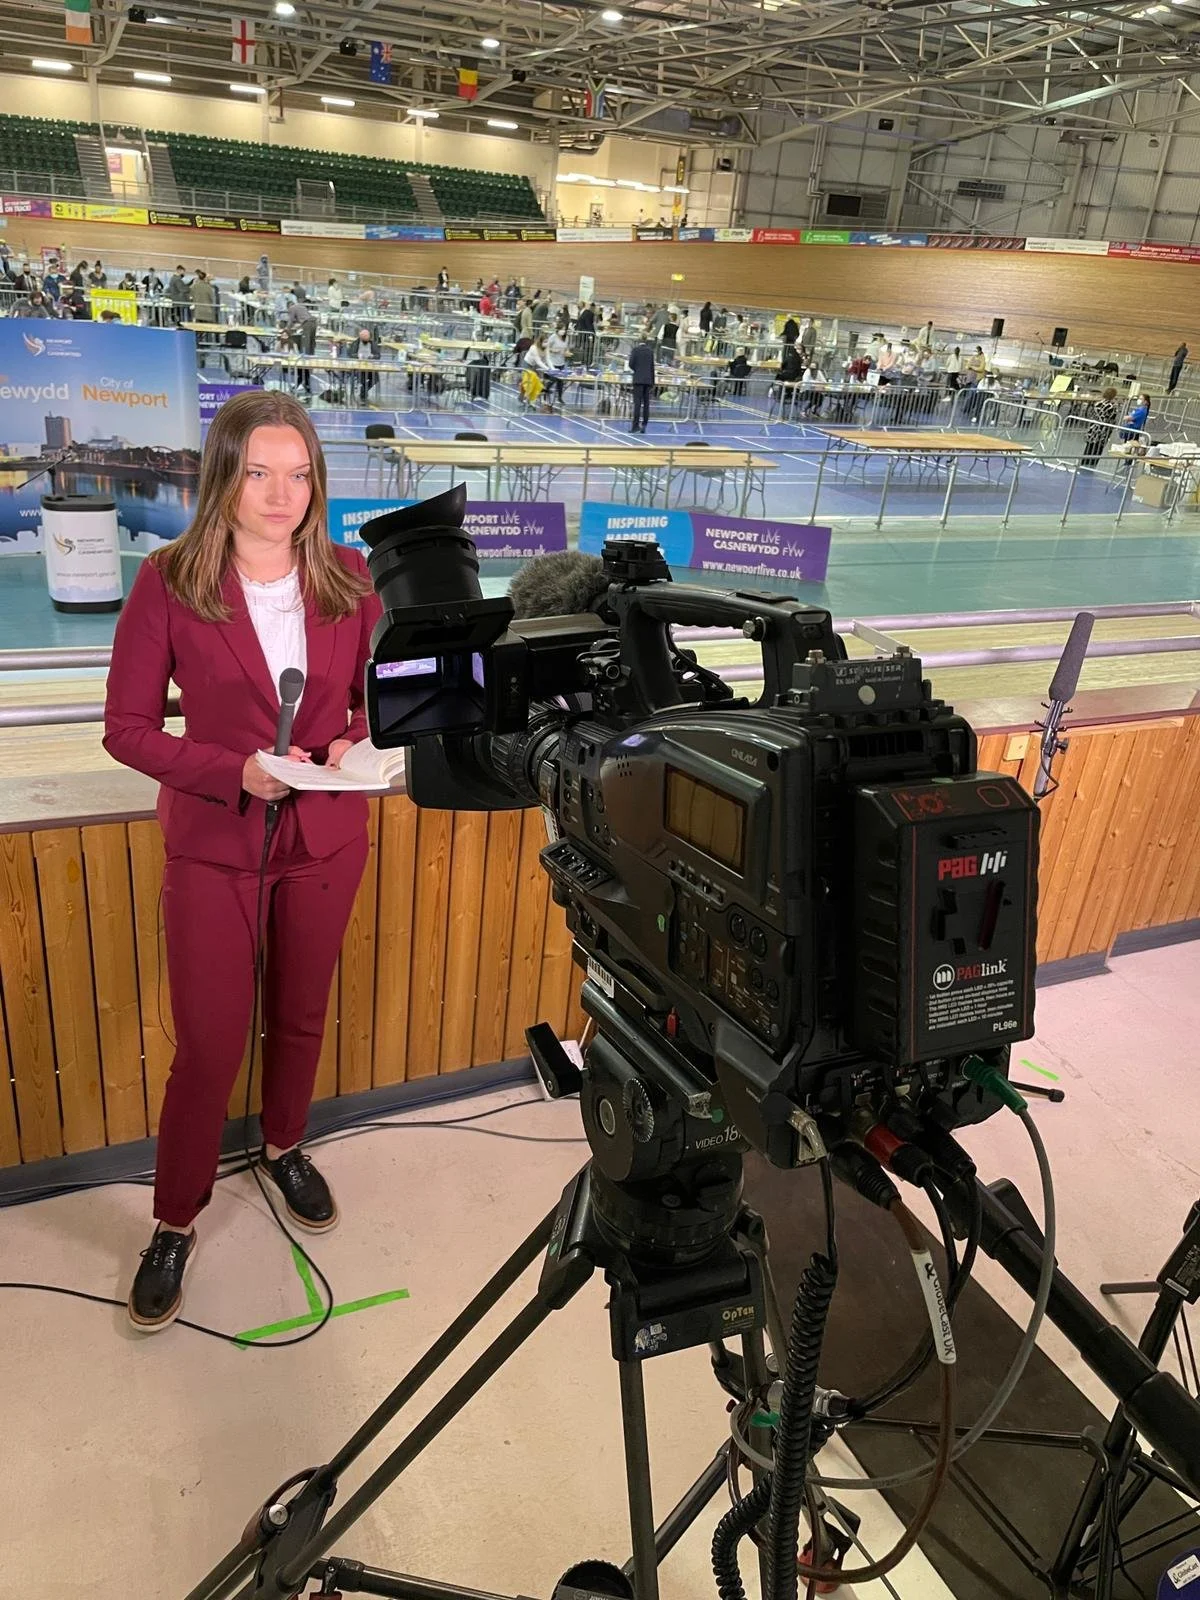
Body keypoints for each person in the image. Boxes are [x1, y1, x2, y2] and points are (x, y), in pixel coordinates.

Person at [103, 391, 381, 1332]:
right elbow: (127, 730)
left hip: (326, 840)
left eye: (298, 474)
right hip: (217, 843)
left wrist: (349, 741)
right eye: (260, 472)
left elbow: (372, 702)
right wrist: (235, 771)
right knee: (213, 1043)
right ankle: (175, 1219)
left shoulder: (348, 574)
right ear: (224, 474)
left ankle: (284, 1144)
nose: (280, 494)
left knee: (300, 1016)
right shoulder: (171, 579)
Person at [524, 329, 566, 409]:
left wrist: (553, 369)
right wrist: (548, 369)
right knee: (530, 382)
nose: (546, 344)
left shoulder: (546, 348)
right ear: (540, 342)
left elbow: (548, 359)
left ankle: (535, 400)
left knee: (540, 382)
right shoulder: (534, 348)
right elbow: (538, 361)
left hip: (537, 366)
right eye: (545, 342)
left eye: (547, 342)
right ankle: (526, 398)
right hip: (528, 364)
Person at [1082, 386, 1119, 468]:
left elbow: (1091, 414)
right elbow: (1112, 420)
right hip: (1103, 431)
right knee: (1097, 450)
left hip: (1093, 428)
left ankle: (1083, 463)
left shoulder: (1097, 403)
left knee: (1089, 447)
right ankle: (1092, 465)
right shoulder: (1112, 407)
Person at [628, 330, 656, 433]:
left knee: (637, 404)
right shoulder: (650, 351)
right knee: (646, 404)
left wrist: (637, 370)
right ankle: (644, 424)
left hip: (638, 379)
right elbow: (652, 367)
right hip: (648, 380)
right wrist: (653, 381)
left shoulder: (635, 350)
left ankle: (635, 425)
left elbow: (631, 364)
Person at [352, 326, 381, 405]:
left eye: (366, 337)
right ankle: (363, 395)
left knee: (375, 379)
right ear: (360, 337)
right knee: (362, 379)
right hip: (358, 367)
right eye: (363, 337)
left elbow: (378, 355)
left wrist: (372, 356)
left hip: (370, 367)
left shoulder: (373, 344)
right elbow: (351, 354)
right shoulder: (356, 343)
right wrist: (358, 356)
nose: (365, 338)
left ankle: (363, 392)